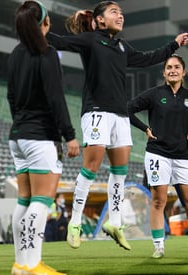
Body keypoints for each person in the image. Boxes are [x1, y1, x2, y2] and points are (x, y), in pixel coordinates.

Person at [46, 0, 188, 250]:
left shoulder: (123, 46)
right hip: (97, 112)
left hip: (121, 115)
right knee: (92, 166)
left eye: (121, 12)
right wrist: (38, 27)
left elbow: (148, 58)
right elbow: (59, 41)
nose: (120, 16)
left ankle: (115, 222)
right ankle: (75, 222)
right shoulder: (90, 40)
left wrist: (174, 44)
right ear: (100, 20)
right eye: (114, 12)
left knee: (120, 171)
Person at [7, 1, 80, 274]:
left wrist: (22, 123)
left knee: (24, 201)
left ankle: (20, 263)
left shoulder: (14, 54)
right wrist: (69, 136)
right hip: (40, 137)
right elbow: (55, 98)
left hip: (18, 135)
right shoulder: (47, 53)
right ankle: (31, 264)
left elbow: (11, 97)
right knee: (41, 201)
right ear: (45, 24)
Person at [127, 54, 188, 258]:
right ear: (163, 72)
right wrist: (144, 128)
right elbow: (127, 109)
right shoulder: (154, 94)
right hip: (157, 153)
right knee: (158, 200)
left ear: (183, 72)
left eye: (177, 67)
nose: (172, 70)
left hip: (183, 156)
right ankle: (158, 245)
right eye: (169, 67)